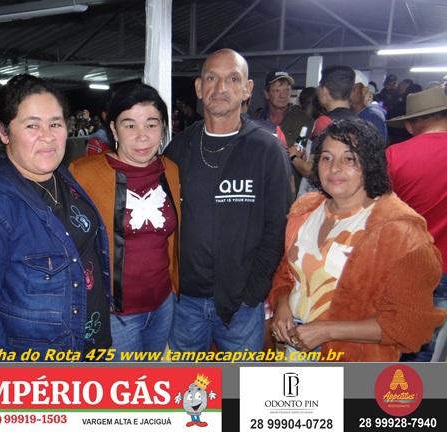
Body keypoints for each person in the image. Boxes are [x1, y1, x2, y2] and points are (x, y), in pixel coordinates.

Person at [0, 74, 112, 359]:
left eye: (56, 124)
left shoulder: (62, 177)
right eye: (32, 125)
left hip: (93, 345)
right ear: (4, 132)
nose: (48, 136)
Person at [269, 118, 445, 362]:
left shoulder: (400, 231)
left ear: (370, 163)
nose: (334, 168)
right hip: (293, 352)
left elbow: (411, 326)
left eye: (349, 158)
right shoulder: (305, 211)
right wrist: (282, 304)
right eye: (326, 157)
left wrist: (327, 330)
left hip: (353, 359)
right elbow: (286, 274)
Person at [164, 48, 292, 355]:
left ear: (247, 90)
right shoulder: (179, 147)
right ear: (199, 87)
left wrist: (253, 293)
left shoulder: (267, 150)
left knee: (240, 383)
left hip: (241, 305)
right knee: (184, 383)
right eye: (212, 78)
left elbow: (278, 228)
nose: (221, 88)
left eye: (233, 79)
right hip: (184, 303)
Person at [70, 83, 180, 360]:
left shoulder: (171, 171)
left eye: (152, 124)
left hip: (163, 305)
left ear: (163, 128)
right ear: (114, 129)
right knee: (125, 385)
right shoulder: (84, 174)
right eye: (130, 125)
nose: (142, 136)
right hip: (115, 315)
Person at [385, 86, 447, 361]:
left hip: (410, 266)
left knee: (408, 341)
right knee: (434, 344)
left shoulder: (395, 156)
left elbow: (379, 214)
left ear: (411, 125)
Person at [290, 65, 357, 197]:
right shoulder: (360, 122)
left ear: (324, 91)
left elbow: (312, 171)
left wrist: (294, 157)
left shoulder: (324, 122)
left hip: (320, 197)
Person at [253, 70, 314, 148]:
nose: (282, 96)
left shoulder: (304, 120)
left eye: (286, 90)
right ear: (267, 94)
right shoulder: (255, 120)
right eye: (277, 91)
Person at [350, 70, 387, 143]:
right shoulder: (360, 114)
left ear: (364, 91)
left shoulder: (371, 117)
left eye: (351, 89)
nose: (346, 93)